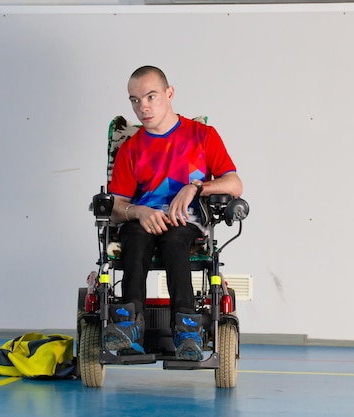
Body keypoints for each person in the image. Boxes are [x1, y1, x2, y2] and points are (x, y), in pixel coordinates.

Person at [105, 65, 243, 361]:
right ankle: (128, 326)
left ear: (169, 93)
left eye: (151, 97)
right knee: (134, 236)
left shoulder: (202, 136)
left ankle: (187, 329)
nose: (143, 107)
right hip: (143, 221)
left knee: (175, 241)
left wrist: (195, 186)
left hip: (186, 221)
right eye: (134, 100)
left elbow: (234, 184)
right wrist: (137, 211)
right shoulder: (131, 149)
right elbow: (116, 206)